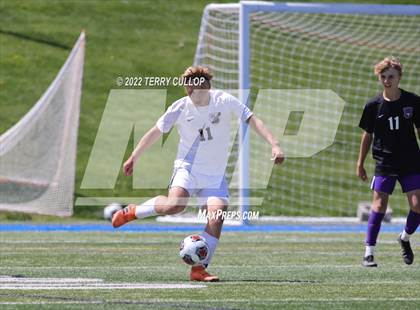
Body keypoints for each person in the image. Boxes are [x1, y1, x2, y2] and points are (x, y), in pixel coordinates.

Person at [112, 66, 284, 281]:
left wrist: (274, 144)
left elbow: (251, 118)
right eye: (190, 87)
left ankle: (199, 269)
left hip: (214, 175)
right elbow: (155, 131)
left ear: (208, 86)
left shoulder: (224, 100)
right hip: (187, 169)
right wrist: (133, 157)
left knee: (217, 214)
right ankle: (134, 211)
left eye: (199, 86)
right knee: (175, 205)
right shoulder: (180, 107)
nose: (194, 91)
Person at [357, 57, 420, 267]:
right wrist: (360, 163)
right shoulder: (373, 105)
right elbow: (367, 135)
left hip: (411, 161)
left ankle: (404, 238)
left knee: (417, 205)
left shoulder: (413, 102)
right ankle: (369, 252)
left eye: (391, 76)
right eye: (383, 77)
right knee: (380, 204)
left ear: (399, 77)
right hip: (385, 161)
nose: (387, 80)